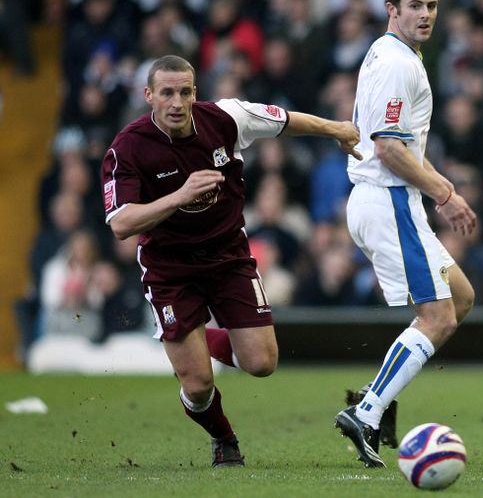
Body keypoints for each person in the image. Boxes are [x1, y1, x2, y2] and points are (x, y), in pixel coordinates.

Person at [100, 54, 360, 468]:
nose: (176, 102)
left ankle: (195, 338)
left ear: (195, 92)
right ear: (148, 95)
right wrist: (180, 196)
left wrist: (338, 130)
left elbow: (285, 121)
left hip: (228, 258)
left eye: (185, 92)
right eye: (166, 93)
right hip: (170, 269)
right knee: (198, 385)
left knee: (262, 363)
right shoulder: (127, 148)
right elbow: (121, 223)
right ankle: (224, 437)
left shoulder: (226, 118)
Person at [335, 0, 477, 469]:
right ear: (391, 9)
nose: (425, 15)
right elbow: (390, 149)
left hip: (386, 199)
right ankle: (368, 410)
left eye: (431, 6)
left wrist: (441, 186)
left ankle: (374, 399)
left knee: (460, 297)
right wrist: (445, 194)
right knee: (437, 316)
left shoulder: (391, 52)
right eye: (415, 5)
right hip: (388, 199)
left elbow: (404, 146)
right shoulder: (399, 64)